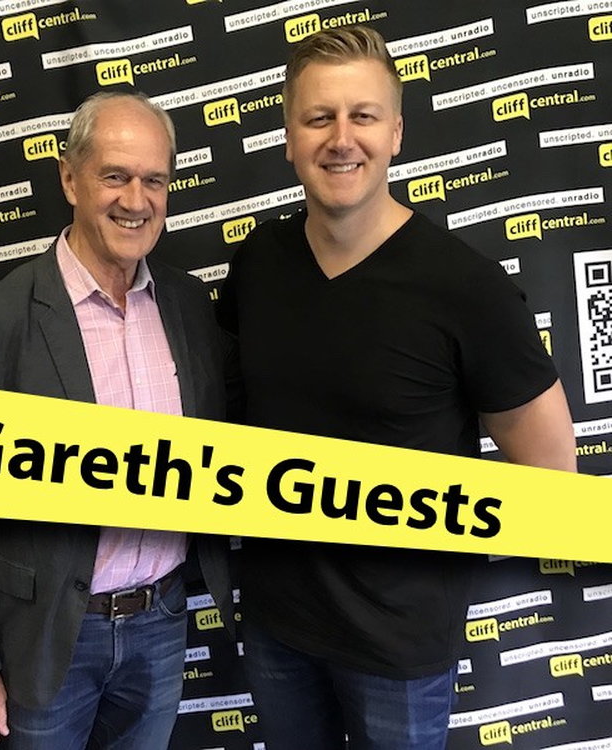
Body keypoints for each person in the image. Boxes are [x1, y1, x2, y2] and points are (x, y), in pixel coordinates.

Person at [216, 25, 577, 750]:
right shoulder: (258, 262)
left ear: (397, 134)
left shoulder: (466, 287)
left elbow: (552, 479)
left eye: (364, 116)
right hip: (278, 628)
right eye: (319, 118)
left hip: (399, 650)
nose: (341, 139)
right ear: (288, 137)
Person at [0, 91, 232, 749]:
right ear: (69, 178)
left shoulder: (187, 305)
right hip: (42, 641)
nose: (136, 200)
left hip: (160, 623)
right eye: (115, 176)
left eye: (154, 180)